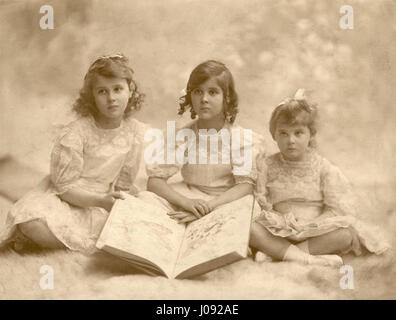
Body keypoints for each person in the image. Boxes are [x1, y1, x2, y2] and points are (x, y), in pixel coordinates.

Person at [0, 54, 147, 254]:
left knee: (138, 223)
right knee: (32, 222)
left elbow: (124, 183)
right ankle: (53, 239)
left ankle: (56, 240)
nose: (111, 98)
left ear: (130, 91)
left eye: (118, 89)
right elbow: (64, 188)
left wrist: (117, 200)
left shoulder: (135, 132)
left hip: (102, 202)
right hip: (66, 196)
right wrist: (100, 201)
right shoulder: (76, 132)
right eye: (102, 91)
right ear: (92, 97)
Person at [250, 89, 390, 266]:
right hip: (280, 229)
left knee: (345, 234)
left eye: (298, 133)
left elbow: (336, 207)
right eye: (283, 133)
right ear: (274, 135)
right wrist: (280, 221)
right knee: (251, 228)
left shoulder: (323, 167)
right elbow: (260, 200)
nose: (290, 140)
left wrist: (310, 225)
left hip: (314, 230)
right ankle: (301, 256)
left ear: (311, 134)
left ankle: (282, 255)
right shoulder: (267, 166)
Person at [138, 60, 264, 224]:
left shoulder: (241, 138)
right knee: (144, 198)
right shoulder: (182, 135)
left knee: (248, 209)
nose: (204, 99)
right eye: (198, 92)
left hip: (223, 200)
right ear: (190, 96)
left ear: (226, 97)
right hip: (189, 197)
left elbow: (244, 186)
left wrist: (209, 207)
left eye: (212, 92)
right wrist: (186, 203)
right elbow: (155, 181)